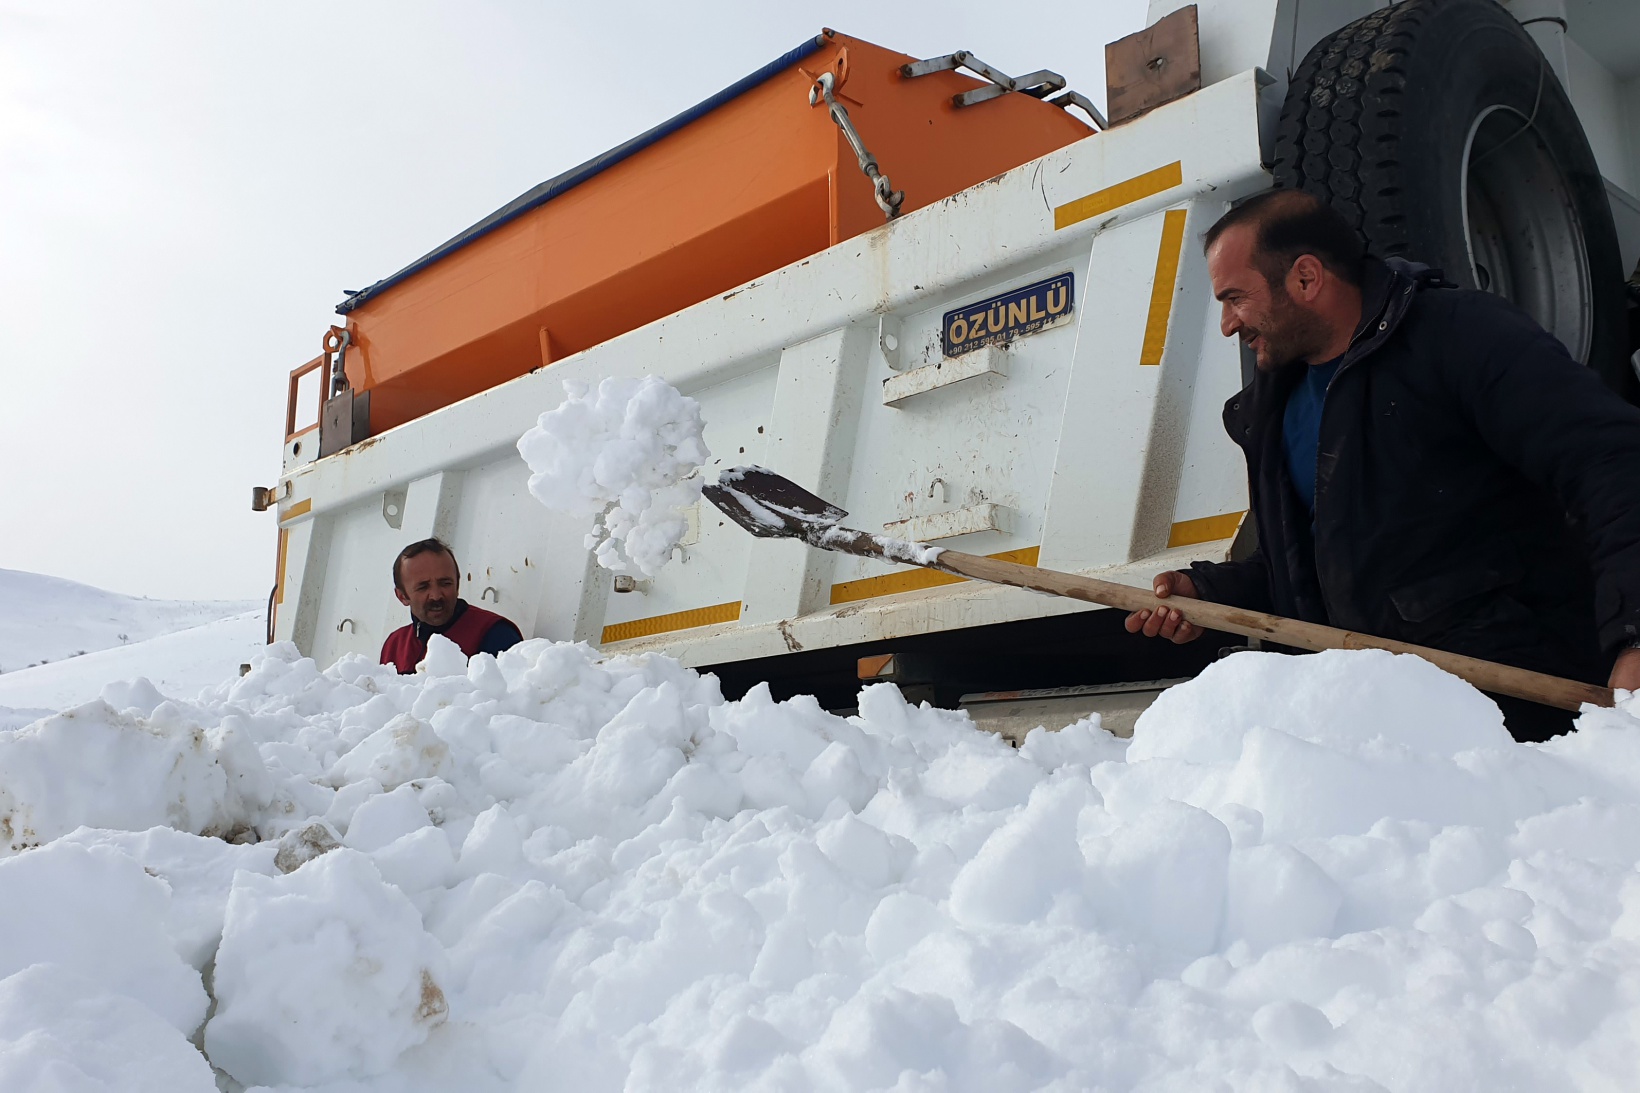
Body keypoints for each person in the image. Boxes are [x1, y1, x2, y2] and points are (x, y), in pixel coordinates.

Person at [1124, 188, 1640, 741]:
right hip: (1387, 727)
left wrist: (1634, 636)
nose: (1228, 324)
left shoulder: (1458, 335)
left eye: (1235, 298)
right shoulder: (1276, 405)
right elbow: (1311, 569)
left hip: (1516, 720)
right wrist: (1206, 594)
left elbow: (1611, 461)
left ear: (1305, 278)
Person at [380, 538, 523, 673]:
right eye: (423, 587)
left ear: (457, 584)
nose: (436, 596)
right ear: (402, 596)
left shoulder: (495, 633)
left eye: (445, 583)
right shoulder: (394, 646)